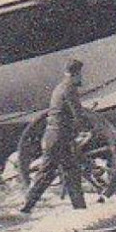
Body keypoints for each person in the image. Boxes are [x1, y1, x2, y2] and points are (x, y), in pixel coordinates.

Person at [21, 59, 88, 213]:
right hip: (59, 138)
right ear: (75, 74)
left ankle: (81, 210)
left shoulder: (60, 87)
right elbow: (77, 114)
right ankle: (25, 207)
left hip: (55, 137)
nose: (81, 79)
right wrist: (87, 130)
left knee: (71, 174)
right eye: (79, 75)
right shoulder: (69, 89)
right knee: (46, 175)